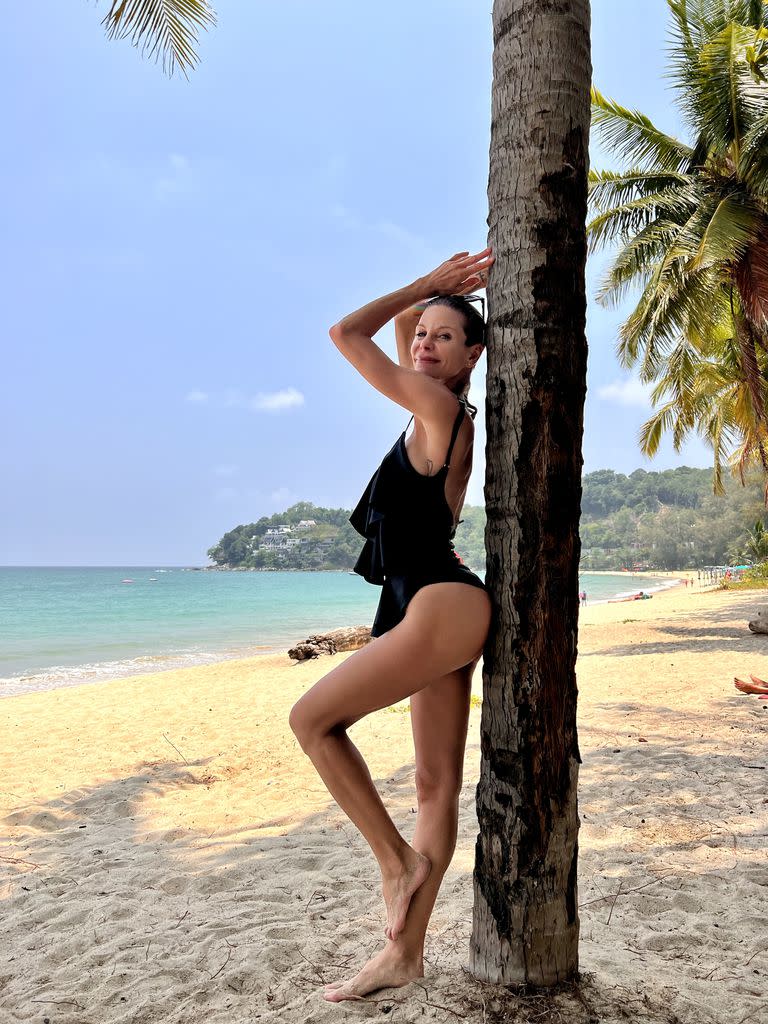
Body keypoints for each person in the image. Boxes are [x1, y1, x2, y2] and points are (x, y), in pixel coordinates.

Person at [289, 249, 494, 1003]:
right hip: (433, 603)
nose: (424, 343)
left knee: (312, 719)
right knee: (435, 788)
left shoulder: (441, 409)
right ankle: (403, 955)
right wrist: (433, 300)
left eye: (445, 338)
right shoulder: (430, 406)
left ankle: (393, 863)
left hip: (439, 600)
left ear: (473, 354)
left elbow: (348, 332)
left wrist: (422, 291)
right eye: (422, 338)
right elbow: (399, 335)